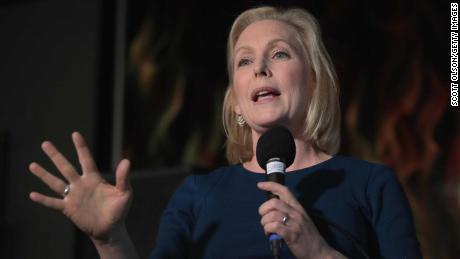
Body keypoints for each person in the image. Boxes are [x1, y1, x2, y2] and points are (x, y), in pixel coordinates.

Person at [28, 6, 422, 259]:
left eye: (280, 53)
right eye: (245, 61)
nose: (260, 68)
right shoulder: (199, 195)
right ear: (235, 100)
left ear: (315, 82)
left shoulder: (371, 183)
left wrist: (319, 253)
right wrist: (110, 240)